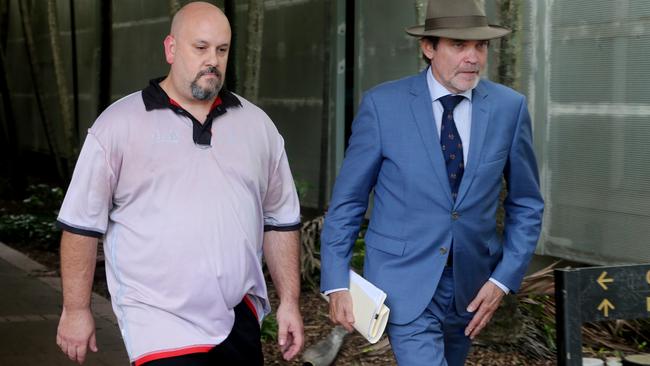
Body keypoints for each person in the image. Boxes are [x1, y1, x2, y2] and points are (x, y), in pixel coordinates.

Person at [54, 2, 303, 365]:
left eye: (222, 49)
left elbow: (281, 220)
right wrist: (75, 310)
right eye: (200, 47)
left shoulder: (257, 126)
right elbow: (81, 224)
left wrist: (290, 303)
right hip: (158, 322)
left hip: (237, 317)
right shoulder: (119, 124)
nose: (213, 60)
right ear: (171, 48)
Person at [320, 0, 544, 364]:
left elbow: (527, 202)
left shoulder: (509, 108)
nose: (473, 57)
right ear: (428, 47)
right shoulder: (382, 106)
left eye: (481, 46)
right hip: (401, 282)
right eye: (459, 45)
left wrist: (502, 280)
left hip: (472, 285)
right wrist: (336, 281)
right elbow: (348, 201)